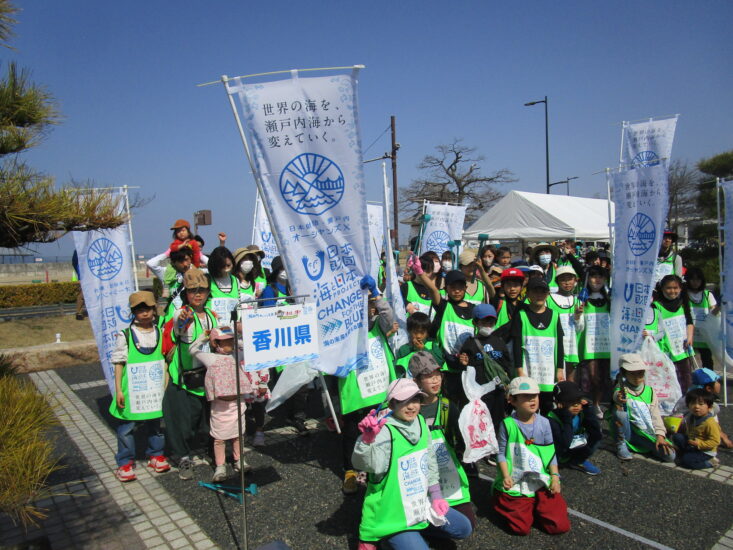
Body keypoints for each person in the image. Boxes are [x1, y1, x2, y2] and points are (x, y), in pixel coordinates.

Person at [353, 378, 473, 549]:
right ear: (392, 404)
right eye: (404, 401)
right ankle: (387, 537)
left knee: (464, 528)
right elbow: (367, 465)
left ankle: (414, 531)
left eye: (415, 400)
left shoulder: (422, 424)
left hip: (418, 503)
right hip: (393, 513)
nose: (412, 406)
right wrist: (366, 441)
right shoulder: (383, 431)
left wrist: (436, 495)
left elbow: (429, 460)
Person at [339, 275, 398, 495]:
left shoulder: (378, 326)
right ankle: (350, 472)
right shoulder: (343, 330)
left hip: (379, 389)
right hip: (355, 391)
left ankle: (376, 467)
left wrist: (376, 293)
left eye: (369, 305)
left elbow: (389, 314)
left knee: (379, 428)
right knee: (352, 431)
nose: (367, 309)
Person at [492, 376, 570, 537]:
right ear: (512, 400)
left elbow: (550, 453)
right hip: (516, 479)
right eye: (526, 397)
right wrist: (505, 476)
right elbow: (500, 453)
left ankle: (534, 505)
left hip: (540, 479)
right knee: (520, 528)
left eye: (534, 396)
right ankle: (500, 498)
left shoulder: (544, 423)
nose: (532, 400)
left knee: (559, 526)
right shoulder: (507, 424)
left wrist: (555, 477)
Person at [164, 267, 218, 479]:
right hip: (185, 378)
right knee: (182, 423)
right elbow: (179, 323)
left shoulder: (211, 316)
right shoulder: (183, 313)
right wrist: (182, 318)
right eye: (193, 290)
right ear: (185, 293)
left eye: (202, 290)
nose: (198, 294)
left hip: (207, 376)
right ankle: (183, 457)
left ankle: (210, 450)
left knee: (206, 420)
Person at [409, 352, 475, 527]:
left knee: (467, 525)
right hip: (419, 477)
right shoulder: (408, 409)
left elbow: (462, 440)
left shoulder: (447, 406)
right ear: (416, 381)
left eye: (437, 374)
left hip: (448, 475)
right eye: (429, 376)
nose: (435, 380)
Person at [109, 291, 169, 482]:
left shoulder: (160, 331)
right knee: (126, 427)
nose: (144, 313)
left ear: (154, 309)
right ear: (133, 312)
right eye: (139, 310)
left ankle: (156, 455)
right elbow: (119, 364)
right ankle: (125, 462)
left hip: (155, 391)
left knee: (156, 425)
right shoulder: (125, 335)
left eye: (148, 309)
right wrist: (118, 390)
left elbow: (167, 361)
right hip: (132, 392)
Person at [190, 326, 252, 482]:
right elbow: (192, 350)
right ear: (216, 344)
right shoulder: (210, 358)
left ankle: (239, 460)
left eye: (231, 340)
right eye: (225, 341)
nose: (230, 343)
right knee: (219, 438)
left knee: (238, 434)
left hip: (237, 404)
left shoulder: (236, 356)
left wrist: (237, 337)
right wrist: (204, 338)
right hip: (220, 406)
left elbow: (249, 347)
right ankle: (220, 466)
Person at [409, 256, 475, 405]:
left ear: (465, 288)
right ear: (446, 288)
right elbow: (432, 289)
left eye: (460, 287)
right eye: (452, 287)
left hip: (467, 368)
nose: (456, 291)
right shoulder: (444, 306)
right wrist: (420, 272)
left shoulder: (473, 310)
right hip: (445, 368)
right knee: (448, 405)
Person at [510, 278, 565, 414]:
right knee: (528, 407)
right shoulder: (521, 315)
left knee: (547, 407)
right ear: (527, 294)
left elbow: (559, 344)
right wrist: (519, 370)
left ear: (547, 294)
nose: (539, 295)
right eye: (535, 292)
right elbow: (517, 345)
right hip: (528, 370)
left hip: (547, 372)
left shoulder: (555, 315)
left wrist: (559, 369)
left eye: (543, 292)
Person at [610, 353, 676, 463]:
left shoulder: (650, 391)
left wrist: (660, 435)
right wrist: (619, 398)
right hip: (628, 432)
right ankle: (621, 443)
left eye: (640, 373)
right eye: (632, 374)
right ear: (624, 373)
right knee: (620, 413)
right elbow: (617, 397)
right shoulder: (620, 388)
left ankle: (641, 445)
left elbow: (656, 415)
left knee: (670, 455)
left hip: (645, 432)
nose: (637, 377)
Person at [458, 303, 512, 433]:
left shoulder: (499, 342)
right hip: (479, 393)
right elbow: (464, 368)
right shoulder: (469, 343)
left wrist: (508, 386)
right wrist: (462, 363)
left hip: (498, 391)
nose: (488, 324)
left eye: (491, 321)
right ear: (475, 322)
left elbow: (507, 365)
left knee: (497, 420)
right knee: (481, 422)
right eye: (484, 321)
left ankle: (496, 451)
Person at [547, 381, 602, 475]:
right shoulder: (551, 419)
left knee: (597, 437)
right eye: (570, 401)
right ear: (559, 403)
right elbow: (564, 443)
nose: (576, 404)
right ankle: (553, 469)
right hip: (557, 453)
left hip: (574, 449)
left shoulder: (581, 413)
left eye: (578, 400)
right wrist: (567, 418)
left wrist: (588, 409)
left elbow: (596, 434)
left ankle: (577, 461)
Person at [577, 265, 611, 414]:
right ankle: (586, 402)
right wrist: (578, 314)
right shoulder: (582, 298)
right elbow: (577, 323)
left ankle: (597, 403)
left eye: (600, 277)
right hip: (589, 346)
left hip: (606, 345)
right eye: (593, 276)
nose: (596, 280)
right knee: (591, 377)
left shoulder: (610, 298)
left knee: (603, 378)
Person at [654, 274, 695, 393]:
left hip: (682, 347)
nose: (672, 291)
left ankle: (686, 399)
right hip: (665, 349)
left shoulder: (683, 303)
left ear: (680, 288)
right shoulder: (656, 306)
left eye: (675, 288)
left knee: (685, 374)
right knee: (668, 376)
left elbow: (689, 321)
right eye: (669, 288)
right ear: (662, 289)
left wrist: (690, 337)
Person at [547, 266, 584, 383]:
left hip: (571, 345)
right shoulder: (549, 299)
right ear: (557, 281)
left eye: (570, 279)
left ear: (575, 281)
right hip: (556, 345)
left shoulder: (577, 301)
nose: (567, 283)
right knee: (557, 380)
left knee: (571, 380)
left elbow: (580, 329)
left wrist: (577, 316)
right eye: (563, 279)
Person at [672, 388, 720, 469]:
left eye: (701, 404)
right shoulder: (691, 417)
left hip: (705, 451)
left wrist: (699, 444)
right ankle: (686, 453)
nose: (696, 407)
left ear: (709, 407)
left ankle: (710, 462)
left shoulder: (710, 423)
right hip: (693, 443)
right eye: (693, 403)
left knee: (687, 461)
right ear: (688, 406)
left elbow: (715, 441)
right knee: (677, 437)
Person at [684, 267, 718, 368]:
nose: (695, 282)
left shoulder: (707, 295)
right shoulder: (683, 294)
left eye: (698, 279)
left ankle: (709, 382)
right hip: (689, 335)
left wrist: (720, 306)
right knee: (688, 364)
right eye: (692, 279)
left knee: (707, 362)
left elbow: (714, 313)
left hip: (705, 336)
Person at [394, 312, 445, 377]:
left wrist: (423, 349)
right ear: (409, 330)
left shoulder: (432, 345)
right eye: (415, 332)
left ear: (427, 332)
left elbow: (440, 363)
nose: (418, 336)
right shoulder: (403, 349)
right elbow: (398, 370)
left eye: (422, 332)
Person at [206, 246, 240, 323]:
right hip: (213, 325)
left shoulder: (235, 280)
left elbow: (239, 304)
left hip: (232, 327)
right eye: (222, 266)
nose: (225, 269)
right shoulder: (207, 280)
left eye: (228, 265)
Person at [401, 252, 440, 317]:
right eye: (421, 270)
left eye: (427, 271)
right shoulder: (406, 286)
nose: (423, 274)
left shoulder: (433, 291)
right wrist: (406, 303)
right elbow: (394, 300)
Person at [492, 267, 526, 336]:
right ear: (502, 286)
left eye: (516, 285)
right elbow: (489, 288)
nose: (512, 289)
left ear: (522, 287)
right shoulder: (498, 303)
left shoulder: (526, 307)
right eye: (508, 285)